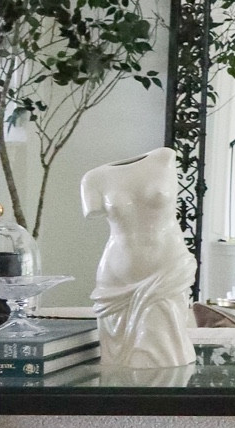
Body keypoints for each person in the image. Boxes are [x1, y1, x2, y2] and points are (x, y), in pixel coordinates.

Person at [82, 147, 196, 368]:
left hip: (168, 266)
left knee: (169, 352)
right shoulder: (93, 179)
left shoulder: (165, 158)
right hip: (117, 274)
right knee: (118, 361)